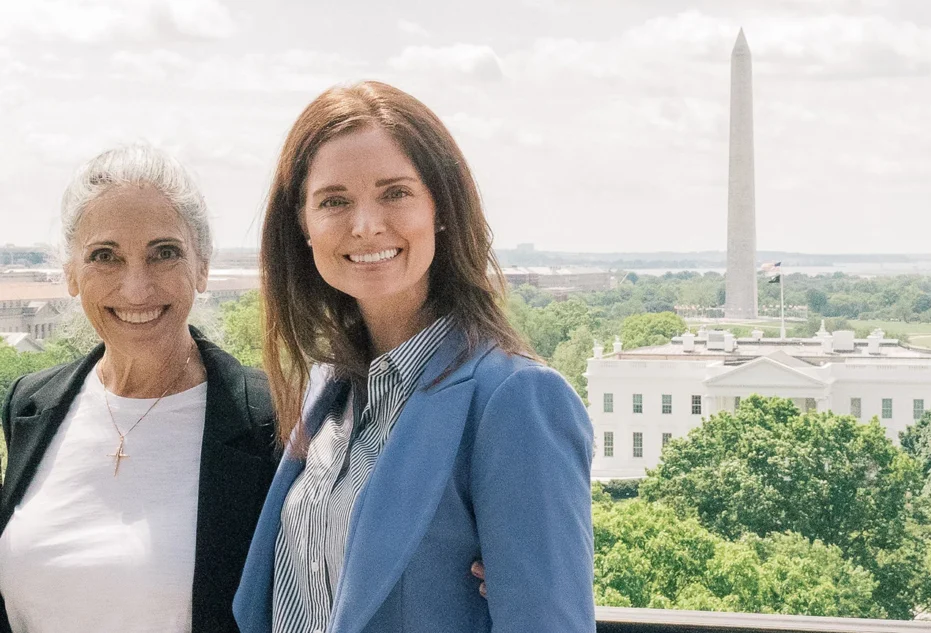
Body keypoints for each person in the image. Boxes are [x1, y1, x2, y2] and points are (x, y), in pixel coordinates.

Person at [234, 81, 596, 633]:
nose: (366, 224)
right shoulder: (324, 392)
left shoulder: (515, 400)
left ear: (441, 209)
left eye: (395, 193)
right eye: (334, 201)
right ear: (303, 226)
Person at [0, 145, 279, 633]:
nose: (135, 289)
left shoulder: (275, 419)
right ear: (70, 273)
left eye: (164, 253)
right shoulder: (31, 405)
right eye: (104, 256)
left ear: (202, 267)